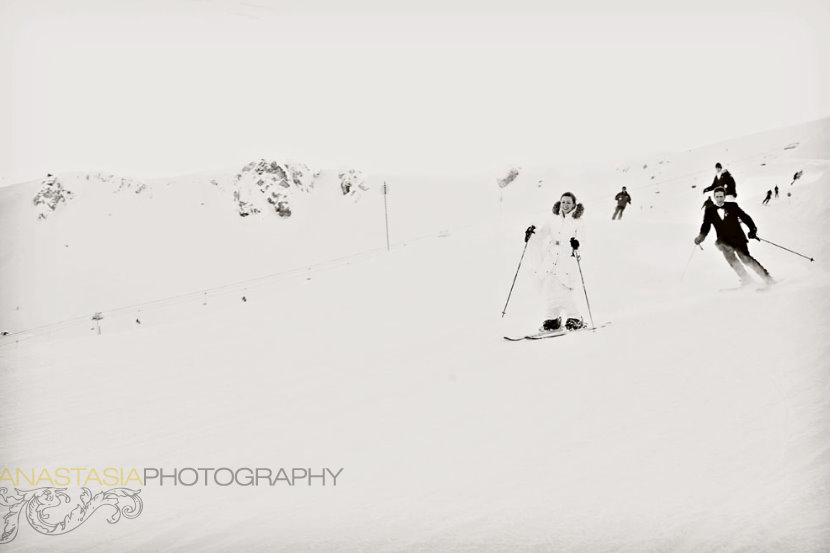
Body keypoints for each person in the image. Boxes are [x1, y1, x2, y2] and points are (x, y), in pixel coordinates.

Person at [524, 192, 585, 333]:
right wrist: (532, 233)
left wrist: (577, 244)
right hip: (551, 257)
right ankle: (552, 318)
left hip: (566, 257)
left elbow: (583, 241)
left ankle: (574, 317)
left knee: (564, 288)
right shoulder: (553, 219)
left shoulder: (578, 222)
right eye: (563, 202)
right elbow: (541, 235)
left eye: (568, 202)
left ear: (574, 205)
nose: (565, 205)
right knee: (549, 287)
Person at [694, 187, 774, 286]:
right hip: (723, 241)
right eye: (717, 197)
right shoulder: (710, 211)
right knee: (732, 261)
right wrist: (701, 236)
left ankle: (768, 279)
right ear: (714, 197)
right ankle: (747, 281)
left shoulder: (732, 206)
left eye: (721, 196)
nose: (719, 199)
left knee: (745, 258)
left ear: (724, 197)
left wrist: (752, 229)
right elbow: (706, 225)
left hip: (738, 238)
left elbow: (745, 217)